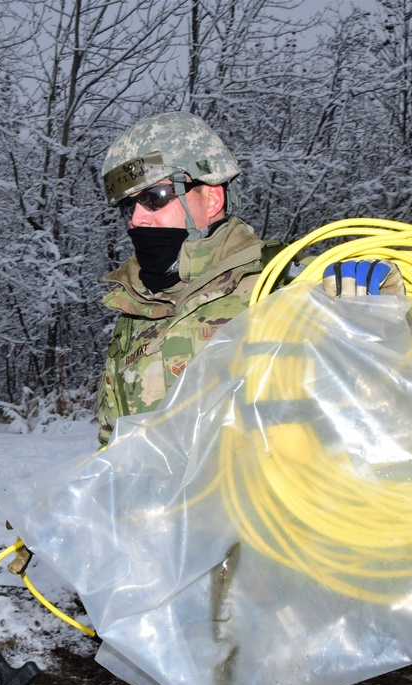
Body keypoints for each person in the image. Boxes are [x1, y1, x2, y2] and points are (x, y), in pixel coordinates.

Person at [95, 111, 283, 447]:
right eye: (128, 207)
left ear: (211, 199)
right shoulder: (134, 314)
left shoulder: (284, 283)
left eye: (154, 197)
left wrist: (373, 298)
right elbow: (113, 449)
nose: (136, 220)